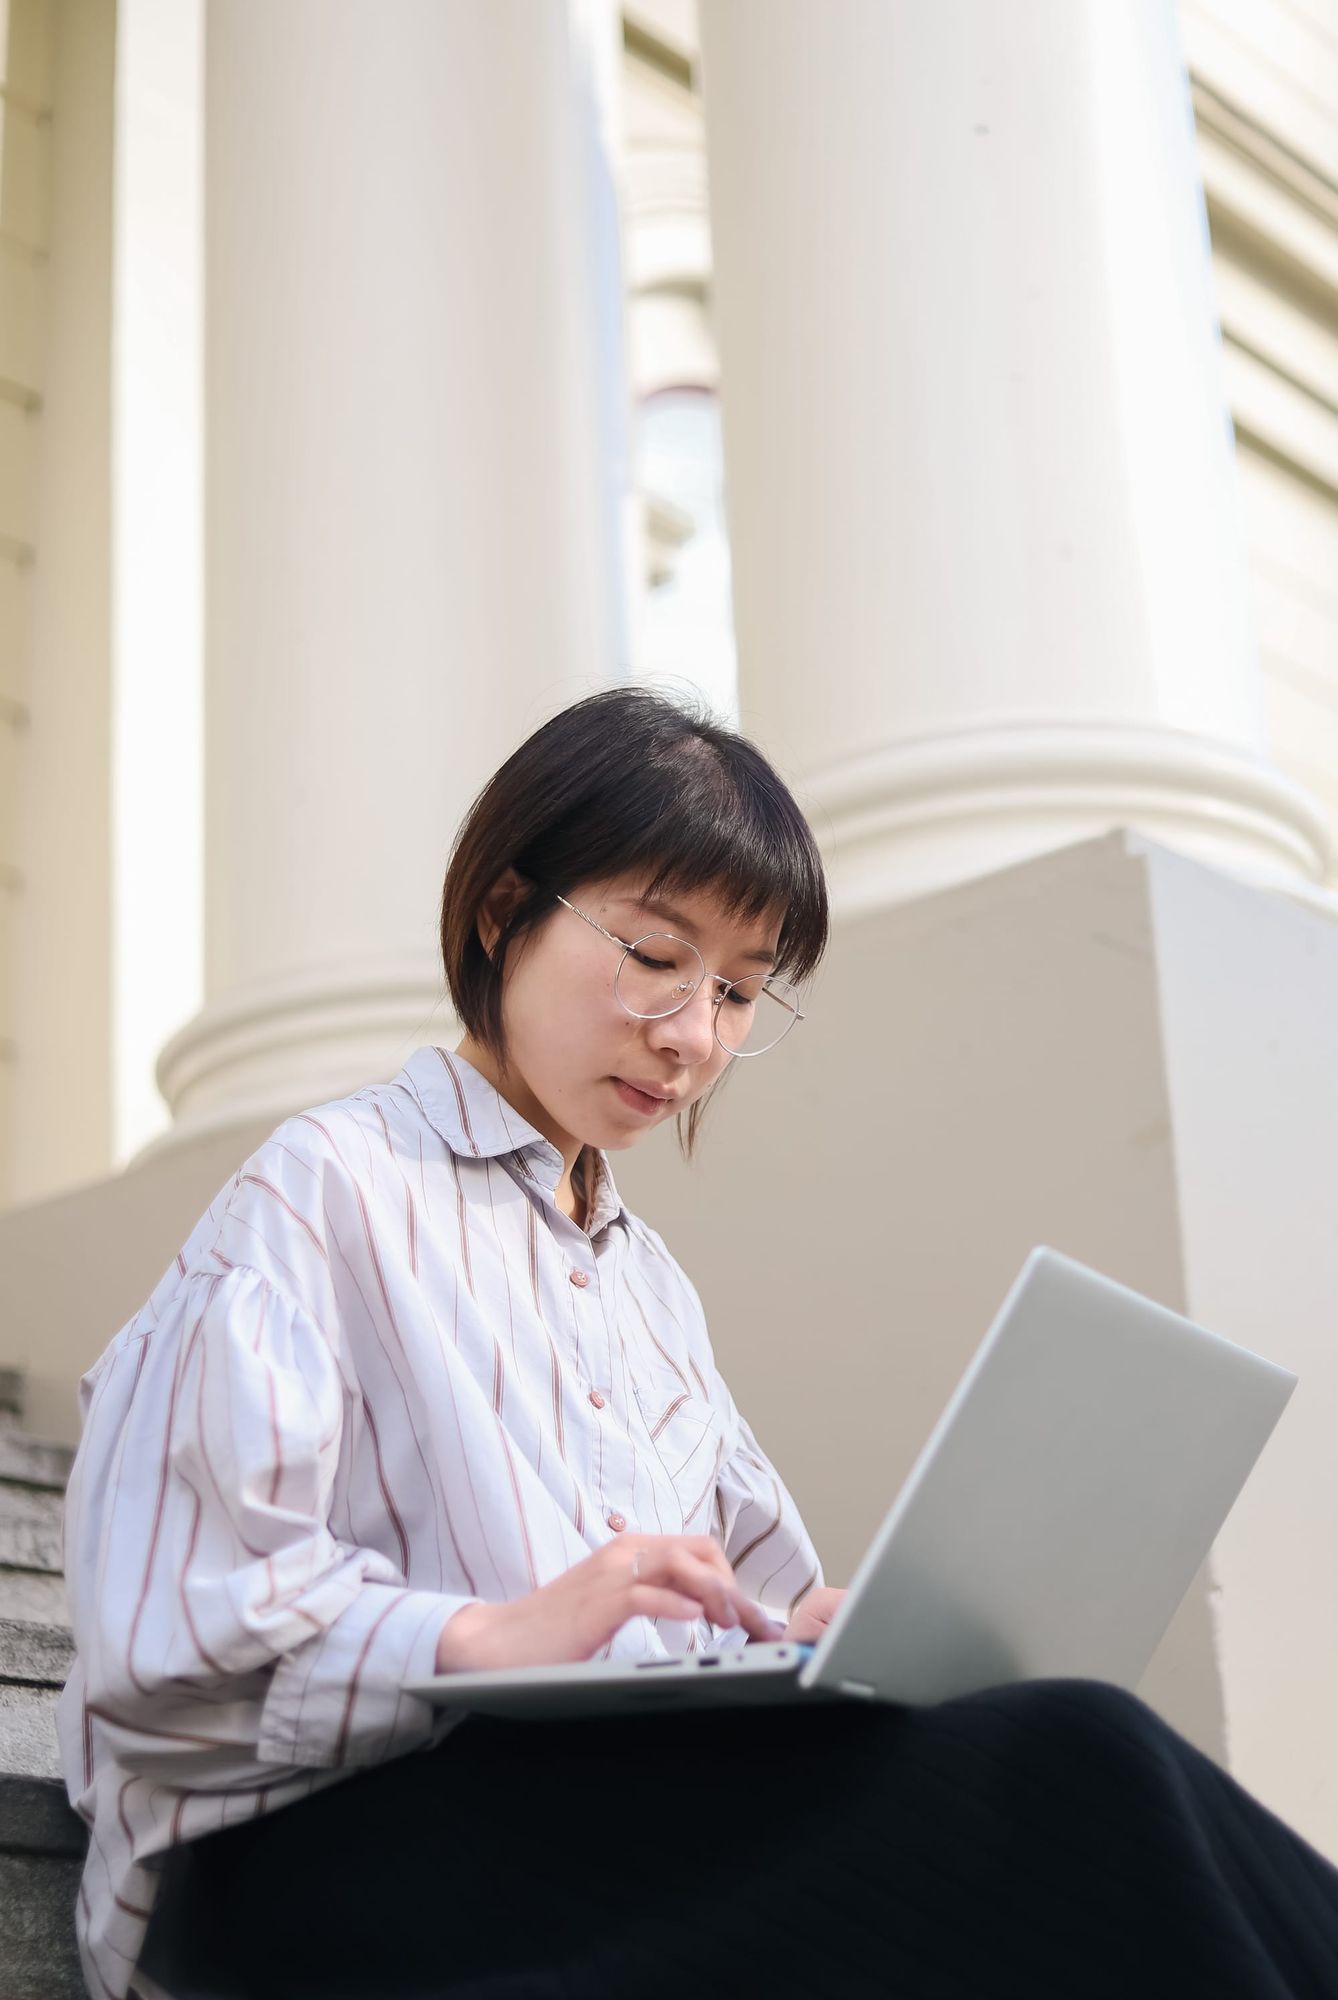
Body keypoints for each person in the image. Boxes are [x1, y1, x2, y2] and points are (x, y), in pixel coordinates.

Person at [59, 690, 1338, 2000]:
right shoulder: (323, 1188)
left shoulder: (646, 1288)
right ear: (504, 913)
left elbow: (755, 1597)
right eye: (654, 955)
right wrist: (484, 1638)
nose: (692, 1036)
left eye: (735, 990)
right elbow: (164, 1650)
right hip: (312, 1876)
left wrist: (813, 1634)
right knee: (1073, 1769)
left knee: (1078, 1761)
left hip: (593, 1828)